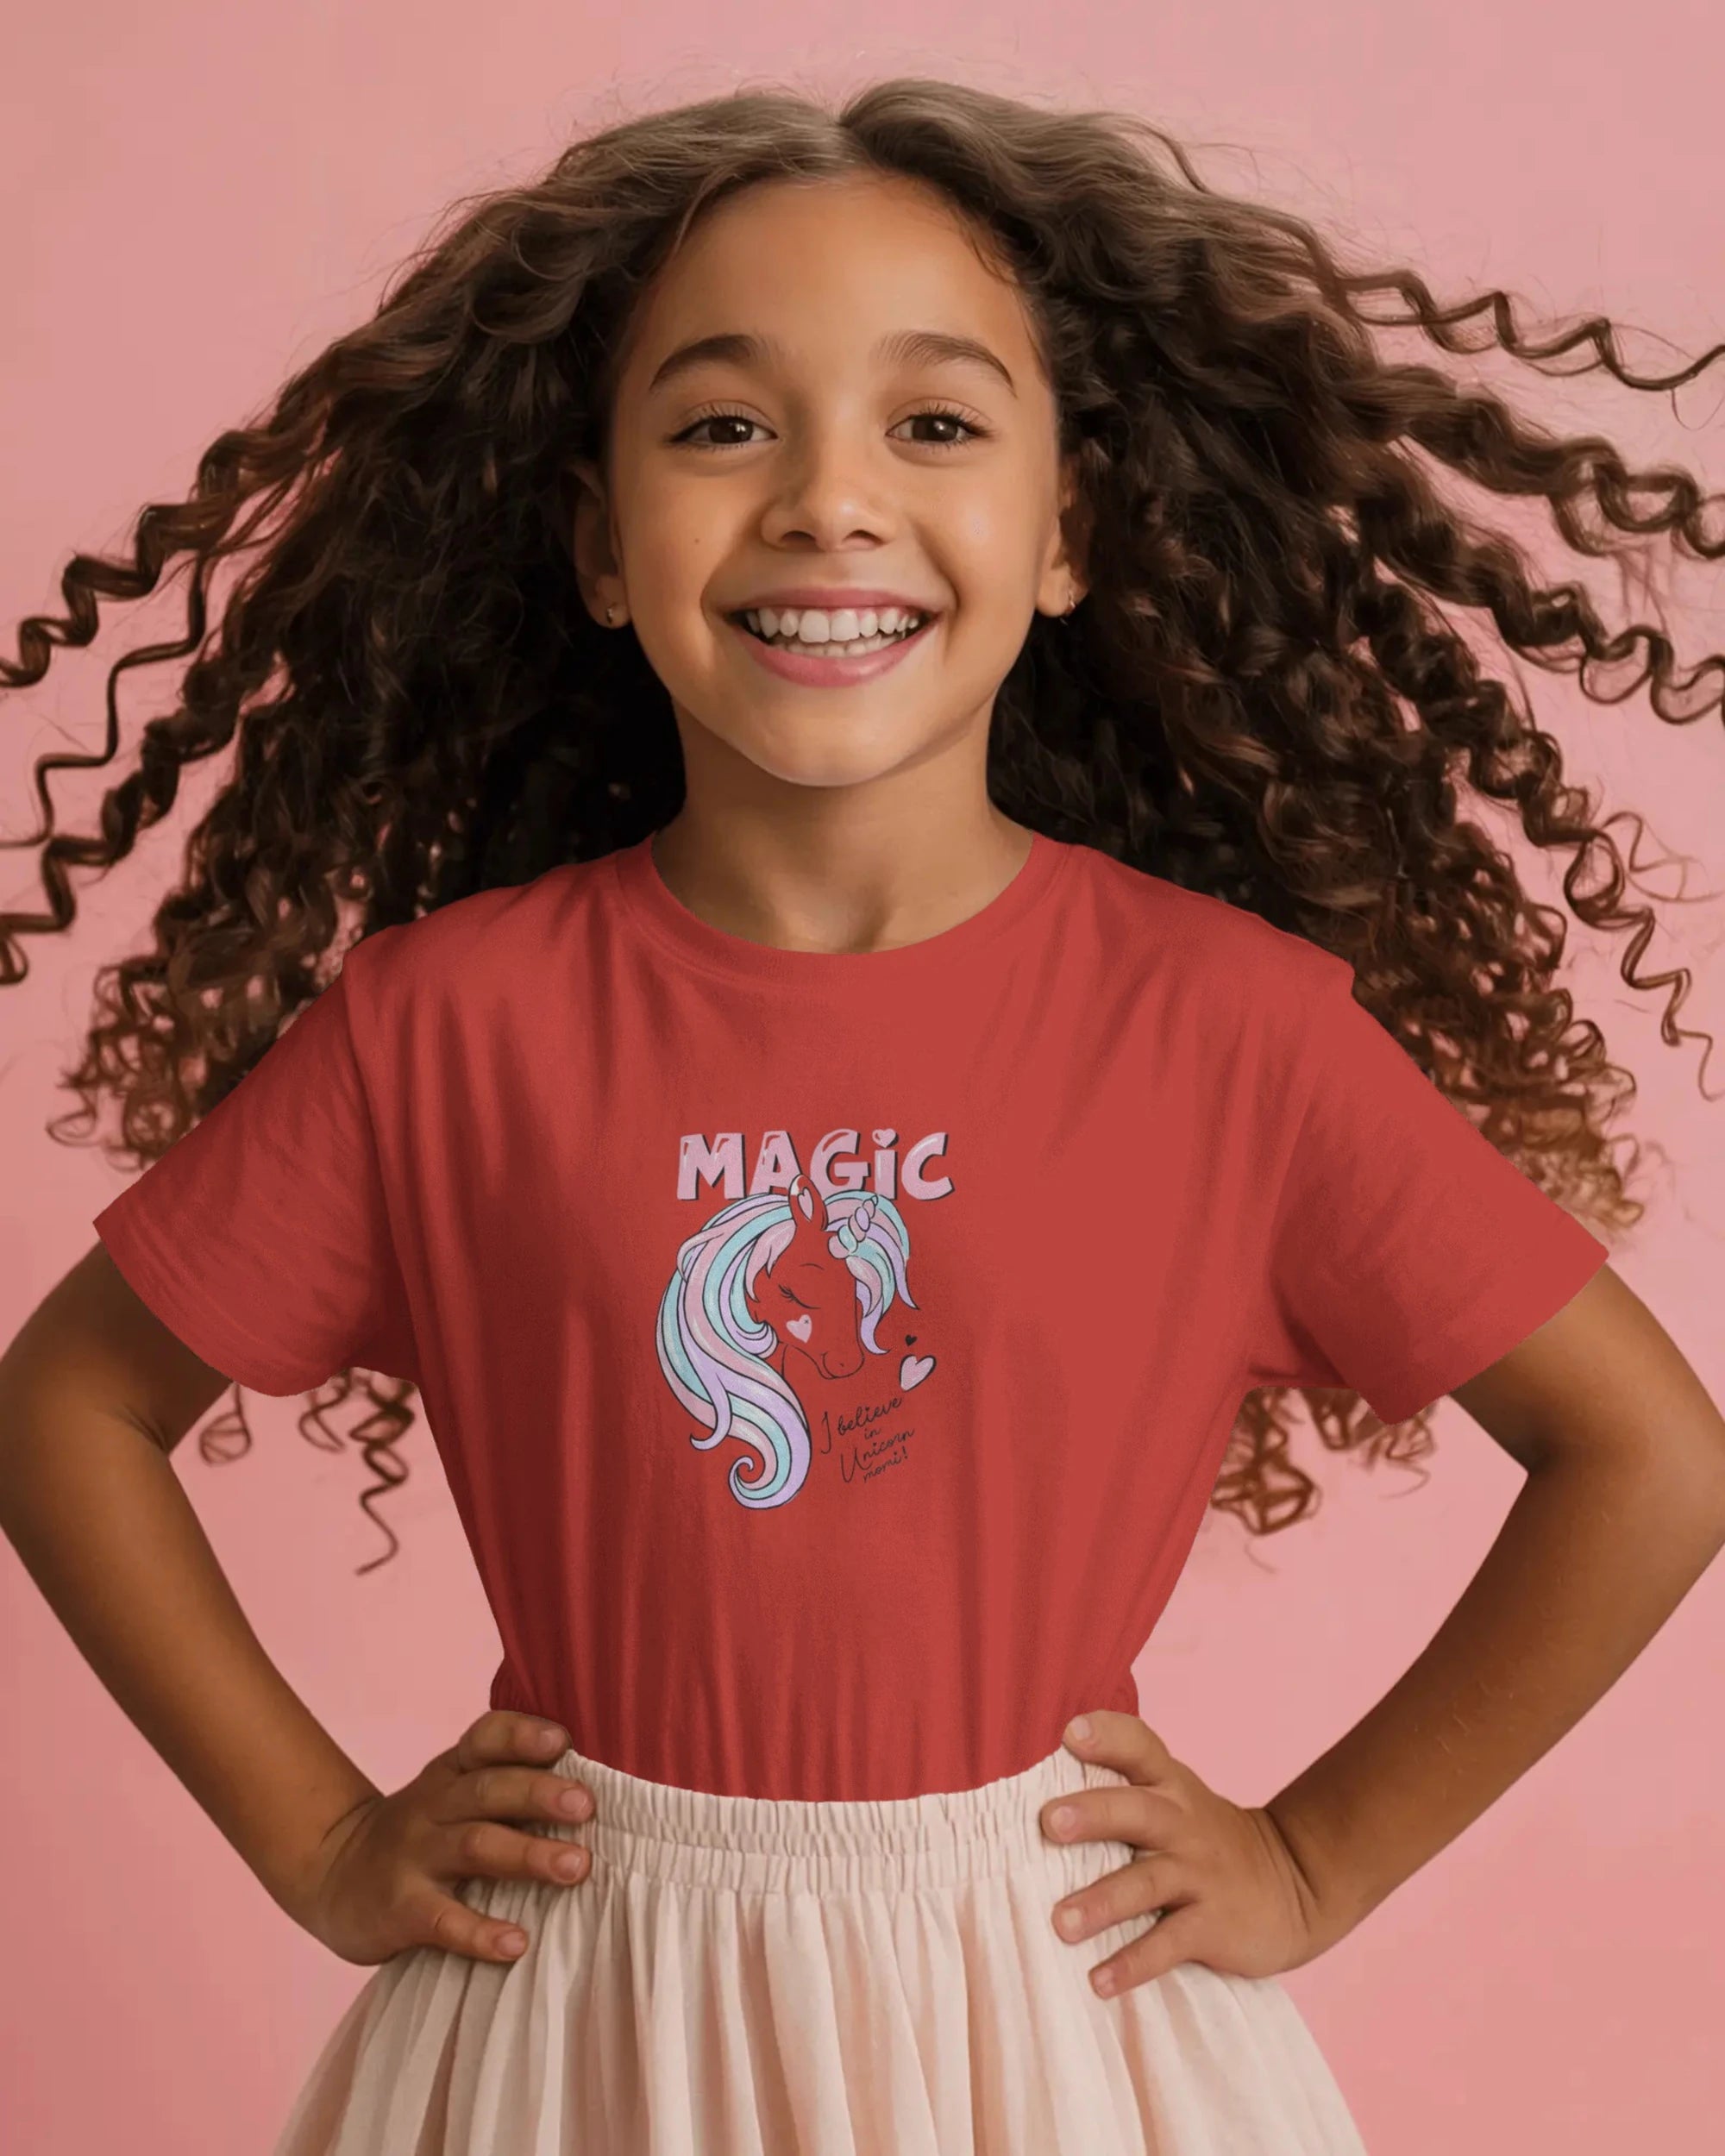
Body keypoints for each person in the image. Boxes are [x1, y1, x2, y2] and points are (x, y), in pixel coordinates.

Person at [2, 75, 1723, 2156]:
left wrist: (1314, 1857)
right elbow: (63, 1405)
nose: (827, 498)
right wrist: (317, 1836)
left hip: (1052, 2008)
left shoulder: (1223, 1028)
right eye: (725, 422)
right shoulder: (439, 1028)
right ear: (596, 544)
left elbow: (1643, 1452)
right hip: (572, 2014)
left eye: (933, 421)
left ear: (1069, 531)